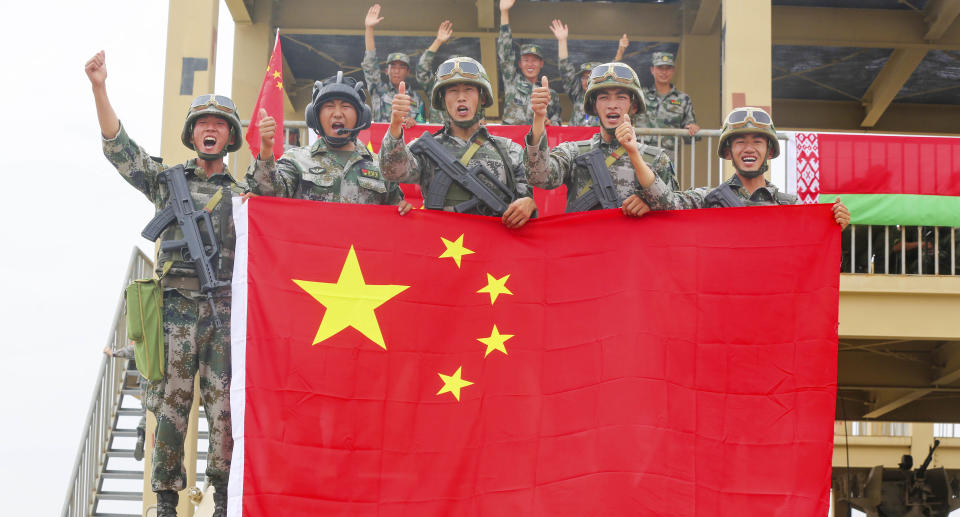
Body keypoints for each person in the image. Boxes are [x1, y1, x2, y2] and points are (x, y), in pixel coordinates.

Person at [86, 50, 243, 517]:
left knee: (224, 412)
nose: (210, 129)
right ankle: (167, 500)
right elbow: (120, 148)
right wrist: (99, 88)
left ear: (230, 136)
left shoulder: (246, 195)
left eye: (219, 124)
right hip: (174, 308)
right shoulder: (166, 182)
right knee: (170, 409)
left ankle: (222, 499)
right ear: (192, 133)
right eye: (202, 123)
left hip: (223, 310)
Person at [628, 106, 851, 230]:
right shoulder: (707, 199)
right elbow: (666, 202)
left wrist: (834, 227)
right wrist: (634, 154)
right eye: (740, 142)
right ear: (728, 152)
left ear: (770, 151)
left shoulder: (789, 206)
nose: (749, 149)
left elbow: (811, 256)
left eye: (757, 141)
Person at [380, 57, 537, 228]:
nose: (461, 98)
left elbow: (526, 204)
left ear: (482, 98)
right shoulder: (426, 148)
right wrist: (395, 125)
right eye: (453, 91)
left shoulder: (509, 150)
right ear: (443, 100)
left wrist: (529, 204)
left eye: (469, 90)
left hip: (494, 246)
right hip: (442, 245)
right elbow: (392, 172)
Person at [524, 62, 678, 215]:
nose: (612, 105)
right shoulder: (574, 152)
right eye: (604, 98)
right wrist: (538, 118)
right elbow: (539, 177)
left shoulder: (657, 159)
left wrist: (650, 203)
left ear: (634, 106)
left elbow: (673, 210)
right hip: (585, 238)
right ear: (594, 107)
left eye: (621, 97)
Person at [249, 72, 410, 213]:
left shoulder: (380, 167)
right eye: (329, 106)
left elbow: (394, 217)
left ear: (361, 117)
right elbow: (270, 194)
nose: (337, 114)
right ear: (315, 117)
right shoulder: (296, 160)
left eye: (346, 106)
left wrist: (404, 210)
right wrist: (266, 150)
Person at [550, 20, 630, 127]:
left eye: (590, 77)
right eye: (583, 77)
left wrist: (620, 51)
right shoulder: (577, 94)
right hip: (576, 142)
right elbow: (565, 70)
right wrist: (562, 40)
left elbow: (613, 72)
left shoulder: (608, 98)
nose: (586, 81)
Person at [498, 0, 562, 125]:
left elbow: (557, 121)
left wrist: (549, 123)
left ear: (541, 64)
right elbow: (505, 54)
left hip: (538, 141)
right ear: (520, 64)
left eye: (534, 60)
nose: (530, 64)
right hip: (511, 141)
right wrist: (504, 12)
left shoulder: (550, 94)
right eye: (526, 60)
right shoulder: (512, 81)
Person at [362, 4, 424, 125]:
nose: (397, 71)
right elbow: (370, 65)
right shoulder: (378, 89)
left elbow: (423, 125)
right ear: (386, 71)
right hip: (381, 142)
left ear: (408, 72)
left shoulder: (417, 99)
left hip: (407, 143)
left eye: (402, 67)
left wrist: (415, 122)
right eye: (393, 67)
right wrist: (369, 28)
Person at [635, 52, 699, 156]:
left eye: (668, 68)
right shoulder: (641, 96)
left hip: (668, 154)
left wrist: (693, 129)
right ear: (652, 70)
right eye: (660, 68)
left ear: (673, 71)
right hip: (641, 151)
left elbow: (689, 130)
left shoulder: (683, 99)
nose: (664, 72)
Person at [104, 343, 146, 462]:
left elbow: (130, 350)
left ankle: (141, 437)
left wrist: (113, 353)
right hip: (162, 380)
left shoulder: (145, 339)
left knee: (146, 413)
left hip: (145, 380)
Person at [417, 20, 454, 124]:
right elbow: (422, 71)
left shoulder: (470, 95)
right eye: (451, 68)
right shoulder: (436, 90)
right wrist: (438, 41)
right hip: (437, 139)